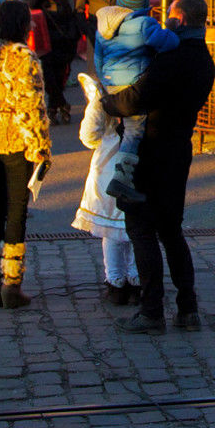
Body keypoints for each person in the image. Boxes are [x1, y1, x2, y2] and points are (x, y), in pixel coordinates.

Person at [105, 0, 215, 335]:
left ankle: (152, 311)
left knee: (141, 229)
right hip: (178, 150)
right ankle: (188, 307)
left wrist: (107, 101)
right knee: (171, 231)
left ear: (178, 20)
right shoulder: (204, 60)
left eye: (169, 15)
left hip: (148, 151)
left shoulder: (171, 58)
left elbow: (136, 98)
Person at [0, 0, 53, 309]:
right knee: (16, 210)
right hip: (15, 138)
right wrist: (42, 149)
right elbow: (33, 107)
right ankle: (12, 284)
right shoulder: (24, 58)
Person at [94, 0, 180, 201]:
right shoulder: (144, 24)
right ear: (143, 4)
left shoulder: (102, 23)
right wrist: (169, 27)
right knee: (135, 129)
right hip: (133, 82)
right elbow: (169, 43)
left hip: (111, 81)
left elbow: (98, 58)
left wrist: (106, 81)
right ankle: (121, 179)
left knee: (120, 127)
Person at [72, 67, 138, 305]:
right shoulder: (146, 82)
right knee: (135, 229)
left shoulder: (106, 93)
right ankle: (136, 278)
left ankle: (116, 282)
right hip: (140, 164)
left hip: (109, 168)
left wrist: (94, 103)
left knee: (112, 233)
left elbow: (89, 136)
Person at [24, 0, 80, 122]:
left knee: (59, 76)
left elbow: (69, 16)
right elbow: (29, 8)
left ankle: (53, 107)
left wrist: (71, 36)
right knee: (48, 77)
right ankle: (61, 104)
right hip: (45, 44)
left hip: (62, 43)